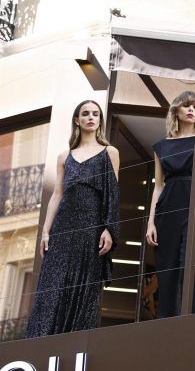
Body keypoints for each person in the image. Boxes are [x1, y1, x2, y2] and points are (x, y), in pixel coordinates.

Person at [25, 100, 120, 337]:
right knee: (51, 289)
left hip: (91, 229)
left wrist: (109, 228)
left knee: (84, 288)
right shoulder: (64, 157)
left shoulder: (110, 153)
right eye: (85, 113)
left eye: (95, 114)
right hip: (62, 230)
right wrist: (46, 231)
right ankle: (40, 344)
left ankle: (72, 345)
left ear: (100, 120)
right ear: (77, 120)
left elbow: (114, 193)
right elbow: (57, 194)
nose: (91, 117)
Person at [145, 91, 195, 317]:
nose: (191, 110)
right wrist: (150, 222)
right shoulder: (161, 146)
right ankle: (165, 324)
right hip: (167, 209)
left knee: (190, 266)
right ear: (176, 110)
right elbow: (158, 186)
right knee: (166, 269)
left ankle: (189, 322)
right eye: (186, 106)